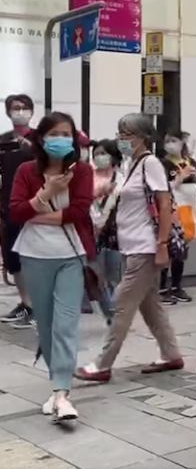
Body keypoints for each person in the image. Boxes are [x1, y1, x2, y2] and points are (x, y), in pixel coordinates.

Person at [74, 114, 184, 383]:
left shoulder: (150, 163)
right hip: (132, 245)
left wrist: (161, 243)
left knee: (121, 302)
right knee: (150, 305)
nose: (121, 140)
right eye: (120, 133)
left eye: (127, 135)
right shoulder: (130, 165)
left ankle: (103, 363)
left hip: (146, 247)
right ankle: (171, 354)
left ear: (143, 137)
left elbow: (164, 204)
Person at [8, 112, 94, 421]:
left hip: (71, 254)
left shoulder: (82, 171)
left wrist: (38, 213)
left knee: (66, 323)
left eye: (67, 133)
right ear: (42, 138)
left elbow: (80, 212)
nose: (62, 139)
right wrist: (46, 193)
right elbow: (15, 211)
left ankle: (62, 394)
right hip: (34, 254)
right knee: (45, 325)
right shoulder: (26, 171)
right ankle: (56, 388)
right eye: (55, 133)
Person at [0, 94, 37, 329]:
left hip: (35, 207)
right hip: (8, 207)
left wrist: (34, 149)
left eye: (24, 108)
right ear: (7, 112)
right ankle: (26, 303)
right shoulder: (3, 141)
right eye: (15, 108)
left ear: (32, 111)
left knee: (33, 259)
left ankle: (38, 306)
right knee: (13, 259)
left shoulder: (41, 139)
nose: (19, 111)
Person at [159, 129, 196, 304]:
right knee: (170, 245)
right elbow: (165, 187)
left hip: (191, 207)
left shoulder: (190, 161)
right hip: (175, 205)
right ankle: (161, 288)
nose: (170, 144)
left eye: (174, 140)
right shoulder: (164, 164)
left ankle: (176, 286)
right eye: (168, 140)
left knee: (183, 246)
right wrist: (180, 178)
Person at [88, 139, 124, 323]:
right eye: (96, 154)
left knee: (114, 273)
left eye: (103, 153)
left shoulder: (122, 179)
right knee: (97, 274)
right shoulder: (87, 177)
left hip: (114, 233)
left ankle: (115, 310)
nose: (99, 157)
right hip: (89, 230)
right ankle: (110, 312)